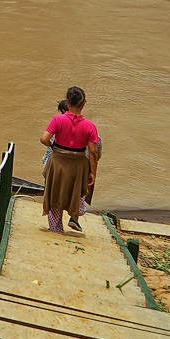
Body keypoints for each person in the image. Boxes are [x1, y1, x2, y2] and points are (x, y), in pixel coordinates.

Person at [40, 86, 99, 233]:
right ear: (84, 103)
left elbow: (44, 139)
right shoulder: (90, 126)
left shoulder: (57, 119)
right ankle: (74, 217)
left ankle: (56, 228)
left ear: (67, 102)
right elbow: (93, 152)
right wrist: (93, 173)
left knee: (55, 193)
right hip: (78, 165)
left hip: (58, 161)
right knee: (76, 192)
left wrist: (53, 146)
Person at [42, 99, 70, 167]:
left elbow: (44, 140)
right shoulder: (87, 125)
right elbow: (95, 150)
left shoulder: (57, 125)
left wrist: (52, 145)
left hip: (56, 167)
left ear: (63, 111)